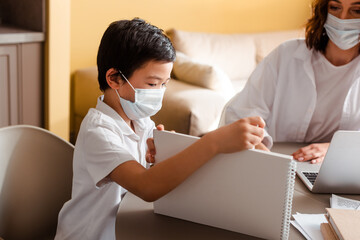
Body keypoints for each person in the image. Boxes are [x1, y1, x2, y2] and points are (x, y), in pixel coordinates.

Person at [55, 18, 265, 240]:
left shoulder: (141, 120)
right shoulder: (97, 132)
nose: (159, 92)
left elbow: (152, 174)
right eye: (153, 84)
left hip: (126, 229)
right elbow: (147, 187)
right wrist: (213, 142)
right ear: (115, 78)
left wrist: (165, 151)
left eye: (164, 84)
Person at [223, 0, 360, 164]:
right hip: (273, 158)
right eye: (335, 7)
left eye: (357, 11)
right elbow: (240, 115)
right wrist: (266, 158)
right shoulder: (286, 55)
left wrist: (332, 149)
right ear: (324, 10)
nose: (343, 18)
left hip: (337, 166)